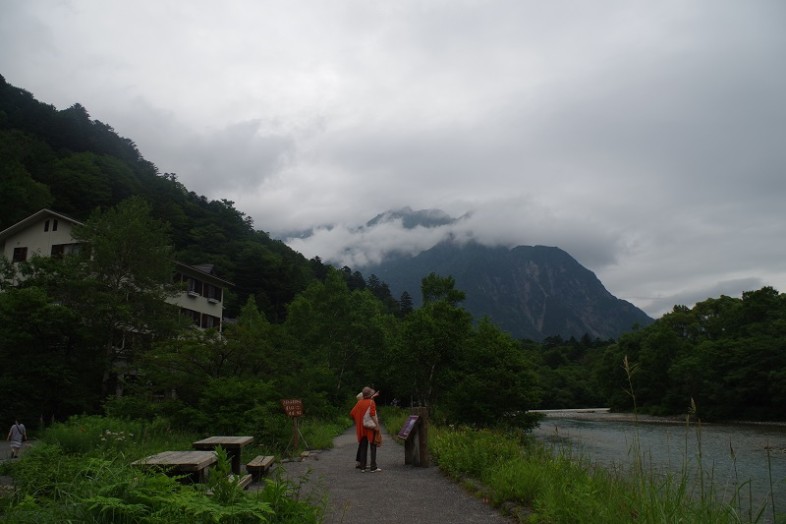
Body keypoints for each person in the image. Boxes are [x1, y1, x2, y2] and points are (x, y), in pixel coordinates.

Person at [349, 387, 381, 472]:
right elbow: (372, 414)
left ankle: (362, 467)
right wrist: (377, 425)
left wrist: (359, 419)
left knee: (363, 447)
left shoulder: (359, 403)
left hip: (362, 428)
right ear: (370, 395)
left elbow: (352, 413)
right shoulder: (371, 402)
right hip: (370, 428)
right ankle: (373, 467)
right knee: (373, 447)